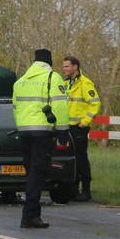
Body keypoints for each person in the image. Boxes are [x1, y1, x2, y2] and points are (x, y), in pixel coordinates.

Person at [12, 48, 70, 229]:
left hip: (24, 132)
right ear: (49, 61)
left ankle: (31, 215)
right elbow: (60, 106)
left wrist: (22, 127)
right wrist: (62, 131)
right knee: (38, 174)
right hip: (42, 133)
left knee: (31, 173)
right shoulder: (52, 77)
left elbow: (15, 108)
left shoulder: (20, 81)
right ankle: (29, 216)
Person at [62, 55, 101, 202]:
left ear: (75, 67)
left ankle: (86, 190)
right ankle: (73, 190)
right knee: (70, 159)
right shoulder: (66, 83)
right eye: (64, 66)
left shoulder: (85, 83)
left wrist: (85, 121)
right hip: (66, 127)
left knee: (81, 159)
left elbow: (95, 104)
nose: (64, 69)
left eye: (67, 66)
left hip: (78, 128)